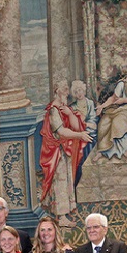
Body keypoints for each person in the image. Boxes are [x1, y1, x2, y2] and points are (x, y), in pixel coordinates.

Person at [40, 79, 93, 229]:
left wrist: (70, 115)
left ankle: (66, 212)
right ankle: (61, 216)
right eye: (64, 89)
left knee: (67, 179)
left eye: (67, 90)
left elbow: (76, 126)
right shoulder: (53, 110)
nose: (67, 93)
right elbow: (61, 131)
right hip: (55, 151)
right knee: (60, 181)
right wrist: (79, 135)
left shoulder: (65, 108)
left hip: (64, 149)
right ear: (57, 90)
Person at [96, 58, 127, 159]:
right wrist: (102, 106)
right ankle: (105, 151)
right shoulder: (122, 83)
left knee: (119, 121)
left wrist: (123, 100)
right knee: (104, 122)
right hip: (120, 107)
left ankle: (126, 148)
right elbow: (114, 98)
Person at [69, 79, 98, 163]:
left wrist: (88, 125)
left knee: (91, 139)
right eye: (76, 92)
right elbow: (74, 124)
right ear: (74, 94)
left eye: (80, 90)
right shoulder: (72, 107)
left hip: (91, 131)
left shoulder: (90, 103)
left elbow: (93, 119)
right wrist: (84, 126)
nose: (79, 93)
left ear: (84, 90)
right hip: (79, 132)